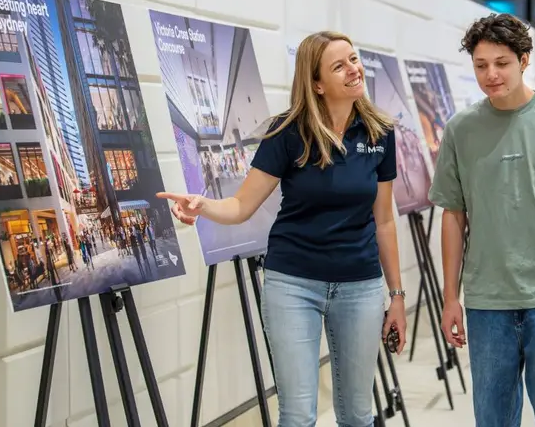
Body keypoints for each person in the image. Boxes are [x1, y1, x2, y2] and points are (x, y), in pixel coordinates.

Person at [157, 31, 408, 427]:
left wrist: (396, 296)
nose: (354, 70)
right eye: (339, 66)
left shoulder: (380, 133)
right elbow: (241, 205)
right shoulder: (288, 132)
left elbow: (384, 220)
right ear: (317, 84)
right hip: (293, 283)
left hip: (360, 285)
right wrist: (202, 205)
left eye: (354, 60)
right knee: (297, 413)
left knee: (359, 413)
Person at [430, 13, 535, 425]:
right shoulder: (460, 129)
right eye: (481, 65)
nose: (491, 74)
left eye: (501, 63)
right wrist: (450, 297)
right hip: (488, 303)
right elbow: (453, 216)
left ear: (524, 60)